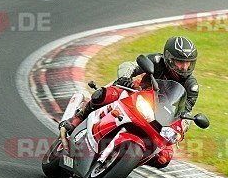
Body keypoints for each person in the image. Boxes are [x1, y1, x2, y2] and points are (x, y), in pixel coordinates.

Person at [59, 36, 200, 169]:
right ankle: (77, 119)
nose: (184, 67)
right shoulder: (157, 61)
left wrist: (181, 127)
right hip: (136, 94)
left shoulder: (191, 86)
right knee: (103, 95)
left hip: (160, 116)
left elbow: (185, 112)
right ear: (169, 58)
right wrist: (124, 78)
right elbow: (129, 66)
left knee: (165, 158)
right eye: (180, 62)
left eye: (188, 63)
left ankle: (128, 159)